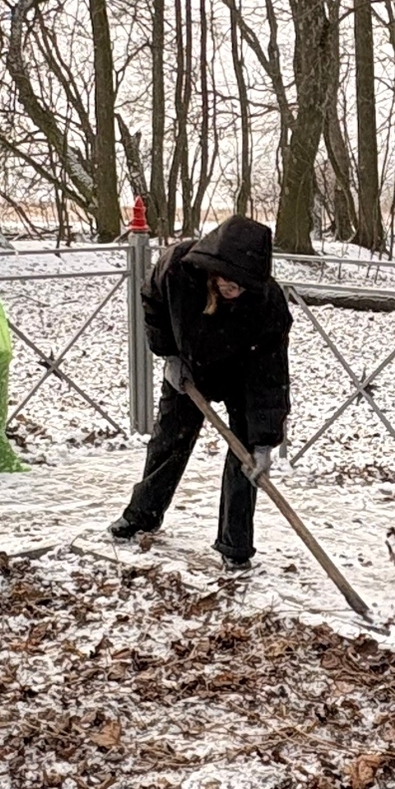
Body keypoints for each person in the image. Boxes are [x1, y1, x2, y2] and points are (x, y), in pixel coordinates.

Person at [107, 216, 291, 568]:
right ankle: (142, 514)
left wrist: (265, 441)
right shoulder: (178, 268)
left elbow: (271, 375)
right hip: (189, 368)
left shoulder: (268, 304)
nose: (231, 288)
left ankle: (234, 548)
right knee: (169, 441)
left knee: (246, 459)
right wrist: (169, 354)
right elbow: (152, 301)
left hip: (242, 374)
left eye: (240, 284)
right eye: (226, 280)